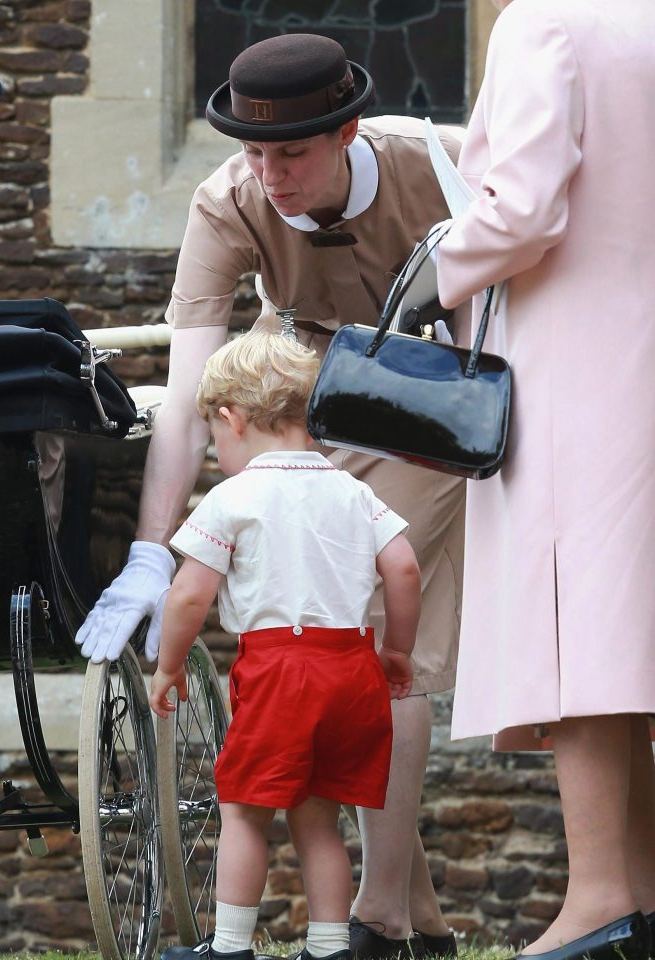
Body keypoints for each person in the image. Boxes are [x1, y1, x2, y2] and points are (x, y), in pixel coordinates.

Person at [76, 32, 463, 958]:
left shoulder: (432, 164)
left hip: (427, 403)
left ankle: (376, 918)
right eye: (253, 152)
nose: (270, 174)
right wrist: (149, 548)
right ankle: (419, 928)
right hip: (297, 406)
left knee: (372, 645)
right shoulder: (227, 203)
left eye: (290, 152)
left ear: (347, 133)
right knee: (314, 636)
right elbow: (189, 392)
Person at [433, 1, 655, 958]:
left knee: (584, 626)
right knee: (631, 624)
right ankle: (637, 890)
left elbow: (523, 209)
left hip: (580, 360)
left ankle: (603, 896)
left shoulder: (547, 22)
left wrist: (430, 268)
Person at [151, 330, 420, 960]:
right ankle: (329, 949)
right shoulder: (352, 491)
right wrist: (398, 650)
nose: (218, 453)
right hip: (352, 667)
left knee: (245, 812)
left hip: (280, 670)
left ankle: (230, 946)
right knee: (318, 818)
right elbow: (403, 568)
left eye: (215, 440)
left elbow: (189, 595)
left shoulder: (233, 497)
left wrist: (167, 664)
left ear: (231, 417)